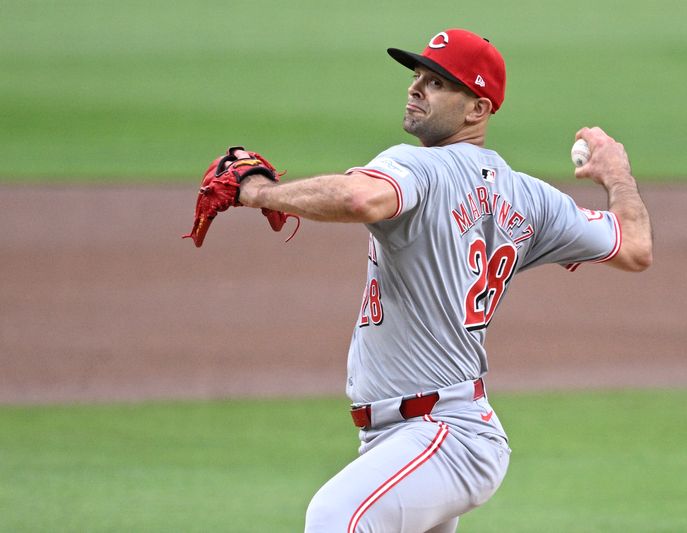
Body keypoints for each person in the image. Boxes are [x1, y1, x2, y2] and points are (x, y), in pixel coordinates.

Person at [236, 28, 652, 533]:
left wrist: (255, 192)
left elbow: (359, 199)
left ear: (477, 109)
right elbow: (634, 246)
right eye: (417, 76)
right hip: (425, 436)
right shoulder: (533, 199)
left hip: (443, 433)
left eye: (435, 82)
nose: (415, 88)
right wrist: (618, 176)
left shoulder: (418, 166)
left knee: (335, 517)